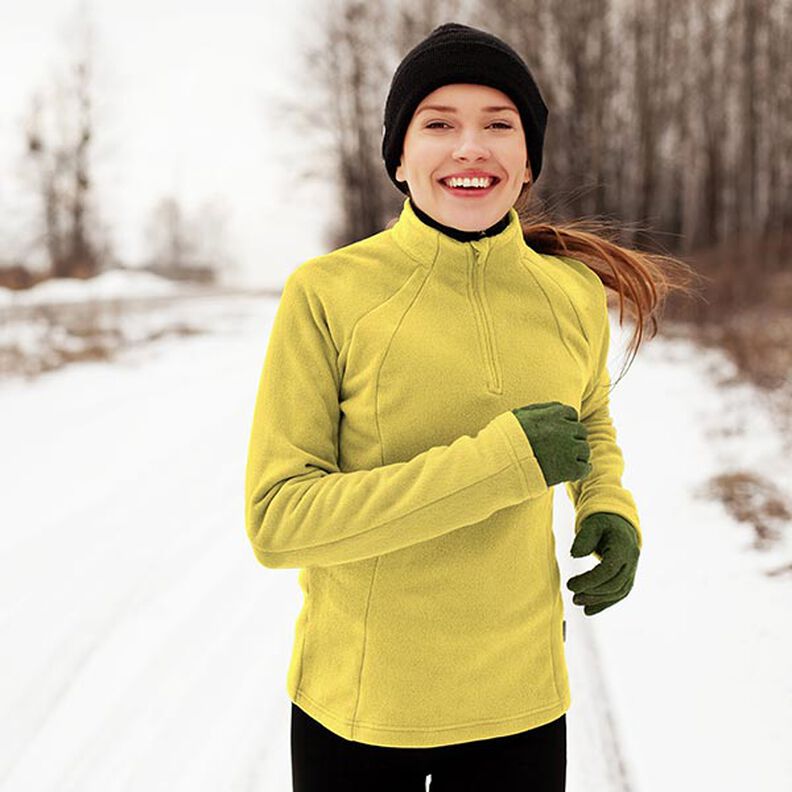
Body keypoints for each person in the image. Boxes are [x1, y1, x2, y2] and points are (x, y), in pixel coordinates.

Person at [244, 21, 695, 792]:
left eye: (498, 124)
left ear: (528, 161)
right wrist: (501, 464)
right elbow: (279, 520)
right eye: (438, 124)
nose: (470, 148)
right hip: (361, 707)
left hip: (522, 704)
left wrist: (607, 503)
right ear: (398, 157)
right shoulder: (327, 293)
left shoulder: (570, 292)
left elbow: (586, 417)